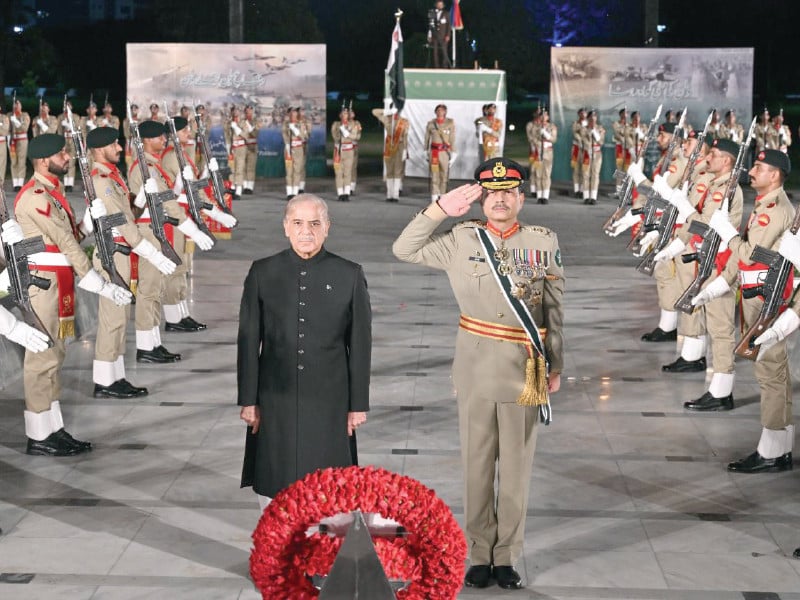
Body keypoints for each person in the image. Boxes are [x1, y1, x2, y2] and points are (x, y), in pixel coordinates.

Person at [393, 157, 565, 590]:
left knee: (517, 468)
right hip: (474, 365)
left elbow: (554, 309)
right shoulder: (460, 239)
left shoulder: (543, 242)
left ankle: (506, 555)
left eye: (509, 193)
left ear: (521, 197)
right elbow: (404, 248)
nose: (501, 200)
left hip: (525, 367)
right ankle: (478, 553)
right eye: (493, 194)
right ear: (482, 199)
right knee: (477, 465)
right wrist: (438, 210)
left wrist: (556, 364)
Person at [238, 194, 372, 510]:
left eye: (315, 223)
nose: (306, 231)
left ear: (327, 228)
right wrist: (248, 399)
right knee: (274, 477)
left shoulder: (349, 274)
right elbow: (248, 341)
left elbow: (361, 344)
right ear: (286, 227)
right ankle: (276, 551)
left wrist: (357, 405)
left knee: (329, 485)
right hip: (274, 397)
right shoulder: (262, 272)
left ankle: (322, 555)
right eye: (298, 223)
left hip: (330, 399)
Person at [4, 133, 132, 455]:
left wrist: (87, 225)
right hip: (43, 285)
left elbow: (71, 235)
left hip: (58, 281)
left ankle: (53, 428)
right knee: (41, 360)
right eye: (61, 153)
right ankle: (39, 435)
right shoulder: (35, 196)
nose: (67, 156)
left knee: (55, 356)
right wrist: (97, 282)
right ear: (44, 160)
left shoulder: (52, 191)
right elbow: (65, 243)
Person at [696, 149, 795, 472]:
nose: (751, 171)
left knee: (772, 373)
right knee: (770, 373)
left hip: (769, 299)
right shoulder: (765, 204)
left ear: (775, 175)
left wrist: (730, 236)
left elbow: (753, 255)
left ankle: (773, 452)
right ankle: (776, 447)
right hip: (756, 295)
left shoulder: (775, 210)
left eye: (759, 167)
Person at [86, 126, 177, 397]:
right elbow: (126, 225)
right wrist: (153, 255)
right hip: (113, 253)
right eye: (114, 144)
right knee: (112, 321)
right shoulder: (102, 180)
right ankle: (105, 381)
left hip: (121, 252)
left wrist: (139, 198)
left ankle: (115, 377)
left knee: (119, 319)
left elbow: (130, 213)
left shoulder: (113, 177)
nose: (118, 148)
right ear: (100, 148)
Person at [127, 120, 200, 363]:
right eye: (159, 137)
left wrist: (180, 185)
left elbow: (167, 195)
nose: (164, 140)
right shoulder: (143, 167)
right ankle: (146, 347)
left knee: (155, 290)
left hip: (158, 229)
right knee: (149, 292)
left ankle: (153, 343)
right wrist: (190, 227)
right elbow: (160, 202)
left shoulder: (154, 166)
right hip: (149, 231)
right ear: (147, 140)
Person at [161, 115, 232, 331]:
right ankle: (173, 319)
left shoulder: (182, 155)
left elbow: (196, 188)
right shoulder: (172, 157)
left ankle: (182, 313)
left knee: (183, 266)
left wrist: (206, 174)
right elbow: (177, 191)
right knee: (175, 267)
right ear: (174, 135)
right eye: (184, 131)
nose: (189, 134)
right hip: (175, 218)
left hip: (185, 214)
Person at [372, 100, 408, 203]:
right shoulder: (387, 119)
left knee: (397, 171)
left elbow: (405, 137)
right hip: (389, 147)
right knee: (389, 171)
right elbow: (374, 112)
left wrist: (405, 149)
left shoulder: (404, 122)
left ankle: (395, 195)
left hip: (400, 147)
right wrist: (387, 111)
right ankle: (389, 194)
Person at [424, 104, 455, 202]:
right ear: (435, 112)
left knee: (444, 175)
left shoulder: (450, 123)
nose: (440, 112)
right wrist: (425, 150)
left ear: (445, 112)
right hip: (434, 153)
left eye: (442, 110)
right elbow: (427, 138)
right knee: (434, 175)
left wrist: (453, 152)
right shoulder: (431, 124)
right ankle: (434, 197)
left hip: (444, 153)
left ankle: (442, 197)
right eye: (438, 110)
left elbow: (452, 138)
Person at [331, 106, 359, 201]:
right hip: (338, 151)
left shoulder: (353, 124)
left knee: (347, 172)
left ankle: (346, 193)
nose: (345, 115)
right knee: (338, 173)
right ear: (340, 115)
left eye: (346, 113)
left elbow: (354, 136)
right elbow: (335, 137)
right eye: (343, 113)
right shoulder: (336, 125)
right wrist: (340, 130)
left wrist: (346, 132)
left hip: (348, 151)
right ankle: (340, 193)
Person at [282, 107, 309, 200]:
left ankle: (295, 192)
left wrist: (296, 130)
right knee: (289, 171)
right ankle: (289, 193)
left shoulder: (301, 124)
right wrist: (287, 146)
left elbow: (304, 136)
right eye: (291, 113)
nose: (293, 114)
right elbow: (284, 134)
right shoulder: (286, 124)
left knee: (297, 170)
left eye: (295, 113)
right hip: (289, 148)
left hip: (298, 148)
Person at [531, 107, 557, 204]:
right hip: (538, 151)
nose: (543, 116)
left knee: (546, 174)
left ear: (548, 116)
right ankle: (539, 196)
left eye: (545, 114)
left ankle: (545, 196)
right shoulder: (535, 126)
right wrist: (538, 143)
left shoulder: (552, 127)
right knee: (538, 174)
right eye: (541, 115)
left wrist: (546, 134)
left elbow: (553, 139)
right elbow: (532, 138)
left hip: (548, 152)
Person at [579, 109, 605, 205]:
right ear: (588, 118)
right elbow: (584, 140)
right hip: (586, 153)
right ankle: (586, 197)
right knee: (586, 175)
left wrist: (594, 131)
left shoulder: (600, 129)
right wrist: (588, 148)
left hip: (597, 153)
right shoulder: (584, 129)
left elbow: (601, 141)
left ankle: (593, 197)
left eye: (595, 117)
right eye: (591, 118)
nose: (593, 119)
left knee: (595, 174)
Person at [225, 105, 246, 199]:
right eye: (233, 111)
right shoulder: (229, 123)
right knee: (231, 170)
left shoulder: (244, 122)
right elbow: (227, 137)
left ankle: (238, 191)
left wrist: (236, 128)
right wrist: (228, 149)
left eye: (237, 111)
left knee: (239, 169)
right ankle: (232, 190)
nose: (235, 113)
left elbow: (245, 135)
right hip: (232, 148)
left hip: (241, 148)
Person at [9, 98, 30, 191]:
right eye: (15, 104)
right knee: (14, 162)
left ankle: (20, 184)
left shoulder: (25, 115)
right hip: (12, 141)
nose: (16, 106)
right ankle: (15, 183)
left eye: (18, 104)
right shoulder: (9, 115)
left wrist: (16, 121)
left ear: (21, 106)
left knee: (21, 161)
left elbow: (24, 128)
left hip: (22, 140)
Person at [428, 0, 451, 69]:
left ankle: (445, 66)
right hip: (435, 35)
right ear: (436, 5)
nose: (440, 6)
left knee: (444, 52)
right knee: (435, 52)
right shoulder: (433, 13)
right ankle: (436, 66)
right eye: (438, 4)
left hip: (443, 36)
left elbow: (448, 25)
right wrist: (430, 35)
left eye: (441, 5)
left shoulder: (446, 13)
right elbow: (430, 25)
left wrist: (448, 35)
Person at [570, 108, 586, 198]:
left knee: (584, 170)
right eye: (581, 113)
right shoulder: (575, 124)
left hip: (586, 149)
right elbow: (575, 133)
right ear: (578, 114)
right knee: (576, 170)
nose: (583, 115)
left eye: (584, 113)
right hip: (577, 148)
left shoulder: (590, 124)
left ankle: (582, 189)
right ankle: (576, 190)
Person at [0, 104, 8, 186]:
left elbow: (5, 131)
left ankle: (0, 184)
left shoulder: (4, 118)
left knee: (1, 164)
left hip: (1, 143)